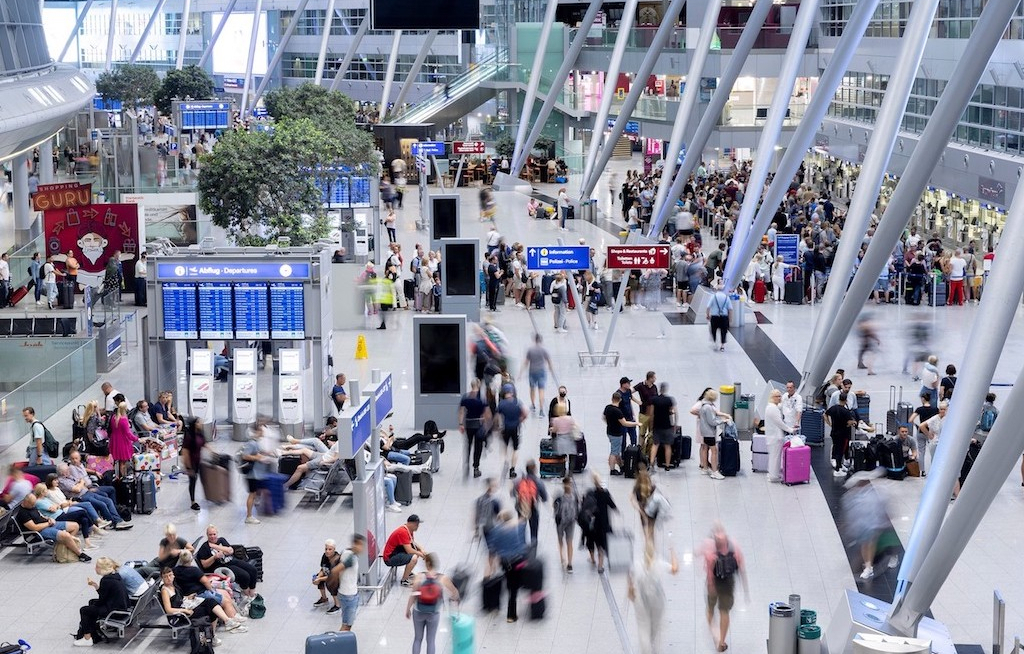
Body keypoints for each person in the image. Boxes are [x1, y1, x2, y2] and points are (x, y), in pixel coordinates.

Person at [158, 567, 246, 644]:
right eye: (166, 577)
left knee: (211, 601)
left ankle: (226, 623)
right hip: (181, 615)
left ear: (173, 575)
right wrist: (184, 611)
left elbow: (179, 599)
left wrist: (187, 597)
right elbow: (168, 610)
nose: (169, 578)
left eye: (170, 575)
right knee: (210, 610)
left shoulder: (174, 585)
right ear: (162, 578)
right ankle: (213, 635)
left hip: (186, 606)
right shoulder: (165, 591)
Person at [702, 523, 749, 653]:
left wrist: (710, 585)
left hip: (713, 584)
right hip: (728, 583)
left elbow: (708, 567)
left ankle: (714, 632)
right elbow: (741, 565)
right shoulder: (733, 544)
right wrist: (746, 589)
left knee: (710, 609)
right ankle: (721, 641)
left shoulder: (709, 545)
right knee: (724, 611)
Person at [628, 540, 680, 654]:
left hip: (640, 600)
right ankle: (651, 640)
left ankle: (645, 648)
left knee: (643, 626)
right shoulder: (659, 563)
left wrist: (630, 590)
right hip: (657, 600)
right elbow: (675, 569)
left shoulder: (637, 564)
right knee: (654, 626)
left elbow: (630, 575)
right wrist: (672, 552)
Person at [406, 553, 460, 654]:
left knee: (417, 639)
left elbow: (413, 594)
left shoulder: (419, 577)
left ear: (427, 564)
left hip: (418, 611)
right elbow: (455, 593)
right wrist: (453, 599)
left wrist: (408, 609)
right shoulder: (442, 578)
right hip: (433, 613)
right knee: (431, 641)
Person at [17, 493, 90, 562]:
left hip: (47, 523)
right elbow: (34, 527)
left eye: (34, 504)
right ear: (26, 502)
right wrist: (48, 524)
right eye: (32, 504)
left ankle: (65, 548)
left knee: (75, 526)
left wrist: (48, 518)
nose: (33, 506)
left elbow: (40, 515)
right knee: (66, 535)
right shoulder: (22, 513)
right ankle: (80, 554)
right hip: (40, 531)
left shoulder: (32, 506)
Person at [73, 556, 129, 646]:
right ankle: (93, 633)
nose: (95, 568)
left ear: (102, 568)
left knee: (84, 610)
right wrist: (96, 586)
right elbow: (106, 594)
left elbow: (102, 599)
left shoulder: (106, 580)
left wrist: (94, 605)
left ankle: (87, 638)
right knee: (92, 603)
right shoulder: (115, 576)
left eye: (96, 567)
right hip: (121, 607)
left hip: (115, 611)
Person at [196, 524, 260, 598]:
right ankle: (247, 594)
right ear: (207, 535)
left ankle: (252, 593)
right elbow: (204, 565)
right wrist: (214, 557)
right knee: (245, 575)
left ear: (217, 533)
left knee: (253, 570)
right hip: (221, 566)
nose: (213, 536)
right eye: (210, 535)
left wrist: (214, 546)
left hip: (231, 560)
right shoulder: (204, 548)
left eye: (214, 534)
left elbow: (230, 551)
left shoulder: (221, 540)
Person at [581, 473, 617, 573]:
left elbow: (584, 504)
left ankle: (592, 558)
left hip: (592, 523)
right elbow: (613, 506)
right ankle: (600, 566)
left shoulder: (591, 493)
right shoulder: (605, 494)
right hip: (603, 523)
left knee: (592, 541)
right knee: (601, 545)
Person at [241, 423, 276, 524]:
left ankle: (251, 514)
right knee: (252, 494)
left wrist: (266, 454)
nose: (263, 432)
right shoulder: (251, 443)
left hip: (257, 473)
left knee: (254, 493)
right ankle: (249, 516)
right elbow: (245, 456)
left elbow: (256, 452)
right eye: (261, 430)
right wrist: (258, 458)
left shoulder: (256, 443)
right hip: (252, 474)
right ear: (256, 432)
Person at [329, 534, 365, 630]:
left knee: (346, 623)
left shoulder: (346, 552)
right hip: (348, 595)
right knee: (347, 625)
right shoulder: (351, 558)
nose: (362, 548)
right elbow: (335, 570)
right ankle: (340, 643)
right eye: (361, 545)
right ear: (355, 544)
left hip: (346, 593)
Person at [458, 380, 491, 478]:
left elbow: (461, 412)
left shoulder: (465, 397)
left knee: (468, 444)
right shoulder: (482, 398)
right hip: (479, 424)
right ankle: (476, 467)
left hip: (468, 424)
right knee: (478, 447)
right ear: (479, 385)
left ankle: (466, 464)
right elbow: (487, 414)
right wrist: (486, 424)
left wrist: (461, 424)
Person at [383, 515, 427, 586]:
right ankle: (404, 580)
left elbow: (412, 542)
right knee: (414, 557)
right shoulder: (402, 532)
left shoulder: (409, 530)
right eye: (416, 524)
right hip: (390, 558)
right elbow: (409, 550)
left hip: (397, 552)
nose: (418, 526)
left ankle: (408, 572)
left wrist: (421, 549)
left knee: (416, 551)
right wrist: (421, 554)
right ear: (410, 523)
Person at [513, 460, 548, 545]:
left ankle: (521, 550)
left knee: (521, 529)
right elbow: (544, 498)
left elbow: (513, 493)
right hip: (533, 507)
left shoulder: (519, 481)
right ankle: (533, 550)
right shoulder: (538, 482)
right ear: (534, 469)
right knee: (534, 531)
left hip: (522, 507)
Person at [603, 391, 638, 476]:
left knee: (616, 451)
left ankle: (621, 466)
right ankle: (612, 469)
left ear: (612, 398)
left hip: (609, 431)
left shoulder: (607, 408)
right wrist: (636, 423)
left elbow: (603, 417)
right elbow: (625, 423)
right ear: (620, 400)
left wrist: (609, 423)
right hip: (617, 434)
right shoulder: (618, 411)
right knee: (614, 452)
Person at [697, 390, 730, 480]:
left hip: (704, 431)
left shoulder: (703, 405)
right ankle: (715, 471)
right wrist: (722, 420)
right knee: (714, 451)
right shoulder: (708, 407)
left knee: (704, 448)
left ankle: (705, 468)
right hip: (709, 433)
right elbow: (712, 421)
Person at [764, 389, 795, 483]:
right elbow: (779, 423)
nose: (779, 398)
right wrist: (790, 430)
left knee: (774, 456)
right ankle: (774, 476)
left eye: (780, 396)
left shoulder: (771, 407)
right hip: (775, 437)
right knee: (775, 457)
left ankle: (772, 474)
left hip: (772, 436)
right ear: (772, 397)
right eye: (777, 396)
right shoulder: (773, 408)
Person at [496, 387, 527, 479]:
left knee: (505, 447)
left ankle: (506, 460)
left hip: (505, 428)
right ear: (512, 393)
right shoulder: (518, 402)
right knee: (515, 448)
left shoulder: (501, 404)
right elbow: (525, 413)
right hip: (515, 428)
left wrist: (498, 427)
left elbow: (497, 417)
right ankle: (512, 469)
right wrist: (520, 420)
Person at [824, 392, 858, 477]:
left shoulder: (833, 408)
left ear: (839, 399)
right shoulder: (846, 412)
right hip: (843, 434)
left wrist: (829, 423)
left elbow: (825, 415)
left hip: (834, 432)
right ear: (846, 400)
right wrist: (854, 422)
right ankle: (838, 469)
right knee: (840, 451)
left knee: (836, 449)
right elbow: (849, 422)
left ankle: (839, 465)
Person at [520, 333, 554, 416]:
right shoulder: (544, 349)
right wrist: (551, 369)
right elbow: (549, 360)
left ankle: (533, 404)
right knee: (541, 390)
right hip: (541, 371)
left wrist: (520, 373)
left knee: (532, 388)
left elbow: (526, 362)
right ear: (541, 340)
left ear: (534, 340)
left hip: (532, 371)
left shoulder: (530, 349)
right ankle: (541, 409)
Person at [647, 382, 676, 470]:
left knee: (655, 444)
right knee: (667, 445)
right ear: (666, 389)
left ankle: (651, 463)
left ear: (659, 389)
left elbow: (651, 414)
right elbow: (672, 412)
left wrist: (651, 425)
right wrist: (674, 423)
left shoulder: (654, 399)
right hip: (667, 425)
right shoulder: (669, 400)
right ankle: (667, 465)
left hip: (657, 425)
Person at [553, 476, 580, 572]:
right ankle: (562, 557)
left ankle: (569, 563)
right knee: (561, 540)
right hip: (561, 521)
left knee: (569, 541)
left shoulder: (574, 495)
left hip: (570, 521)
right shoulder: (560, 495)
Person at [181, 416, 205, 511]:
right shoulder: (189, 436)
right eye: (199, 422)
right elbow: (185, 453)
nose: (201, 424)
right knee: (193, 481)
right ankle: (193, 502)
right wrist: (188, 467)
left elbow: (204, 444)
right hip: (191, 463)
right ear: (194, 425)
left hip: (198, 460)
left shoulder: (200, 433)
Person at [108, 402, 138, 478]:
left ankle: (116, 477)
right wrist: (136, 439)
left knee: (116, 460)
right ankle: (123, 478)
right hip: (123, 441)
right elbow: (128, 433)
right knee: (123, 462)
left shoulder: (114, 418)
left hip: (114, 440)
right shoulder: (123, 419)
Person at [312, 539, 342, 613]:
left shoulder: (336, 559)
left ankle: (337, 605)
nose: (327, 551)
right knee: (319, 579)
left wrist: (320, 579)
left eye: (330, 549)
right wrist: (318, 577)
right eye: (326, 549)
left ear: (334, 549)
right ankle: (324, 598)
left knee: (331, 583)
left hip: (337, 578)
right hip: (328, 575)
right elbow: (323, 569)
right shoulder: (325, 556)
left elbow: (332, 576)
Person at [616, 377, 641, 447]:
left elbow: (630, 399)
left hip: (630, 419)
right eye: (628, 383)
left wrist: (637, 402)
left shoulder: (628, 391)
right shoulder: (618, 394)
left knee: (634, 437)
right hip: (623, 420)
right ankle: (623, 454)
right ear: (623, 384)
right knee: (623, 440)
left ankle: (634, 451)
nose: (630, 385)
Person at [706, 283, 731, 352]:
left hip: (714, 317)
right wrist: (730, 318)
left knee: (713, 330)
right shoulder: (726, 297)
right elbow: (730, 309)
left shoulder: (713, 297)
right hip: (724, 317)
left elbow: (708, 307)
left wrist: (707, 315)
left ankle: (715, 343)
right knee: (724, 331)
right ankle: (722, 345)